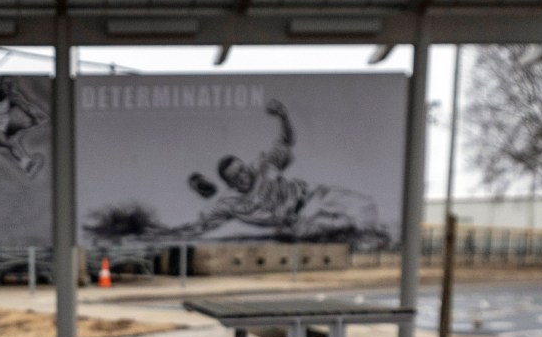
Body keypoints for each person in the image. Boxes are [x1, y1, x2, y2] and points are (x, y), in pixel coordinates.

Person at [160, 100, 386, 245]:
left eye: (242, 169)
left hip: (313, 196)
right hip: (299, 221)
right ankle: (362, 240)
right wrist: (165, 234)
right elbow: (200, 226)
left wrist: (284, 116)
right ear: (230, 183)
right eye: (235, 177)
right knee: (344, 231)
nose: (243, 176)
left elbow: (287, 141)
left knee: (365, 206)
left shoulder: (263, 166)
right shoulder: (230, 203)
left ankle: (377, 242)